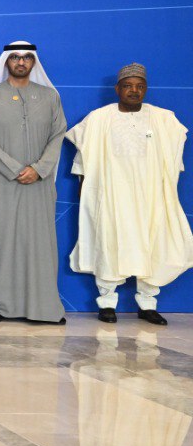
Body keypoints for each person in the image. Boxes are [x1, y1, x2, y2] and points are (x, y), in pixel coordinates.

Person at [66, 63, 193, 325]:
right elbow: (82, 162)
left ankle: (147, 304)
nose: (134, 91)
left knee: (153, 244)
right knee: (109, 243)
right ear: (117, 89)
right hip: (111, 196)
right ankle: (107, 303)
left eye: (139, 86)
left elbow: (174, 161)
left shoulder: (164, 119)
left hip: (151, 196)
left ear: (146, 89)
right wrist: (87, 196)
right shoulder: (99, 118)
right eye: (128, 86)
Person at [0, 41, 67, 324]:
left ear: (34, 62)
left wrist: (39, 169)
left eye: (26, 58)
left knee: (38, 244)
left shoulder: (50, 97)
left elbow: (58, 134)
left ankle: (43, 308)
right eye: (15, 57)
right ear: (6, 61)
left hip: (39, 184)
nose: (21, 62)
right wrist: (16, 169)